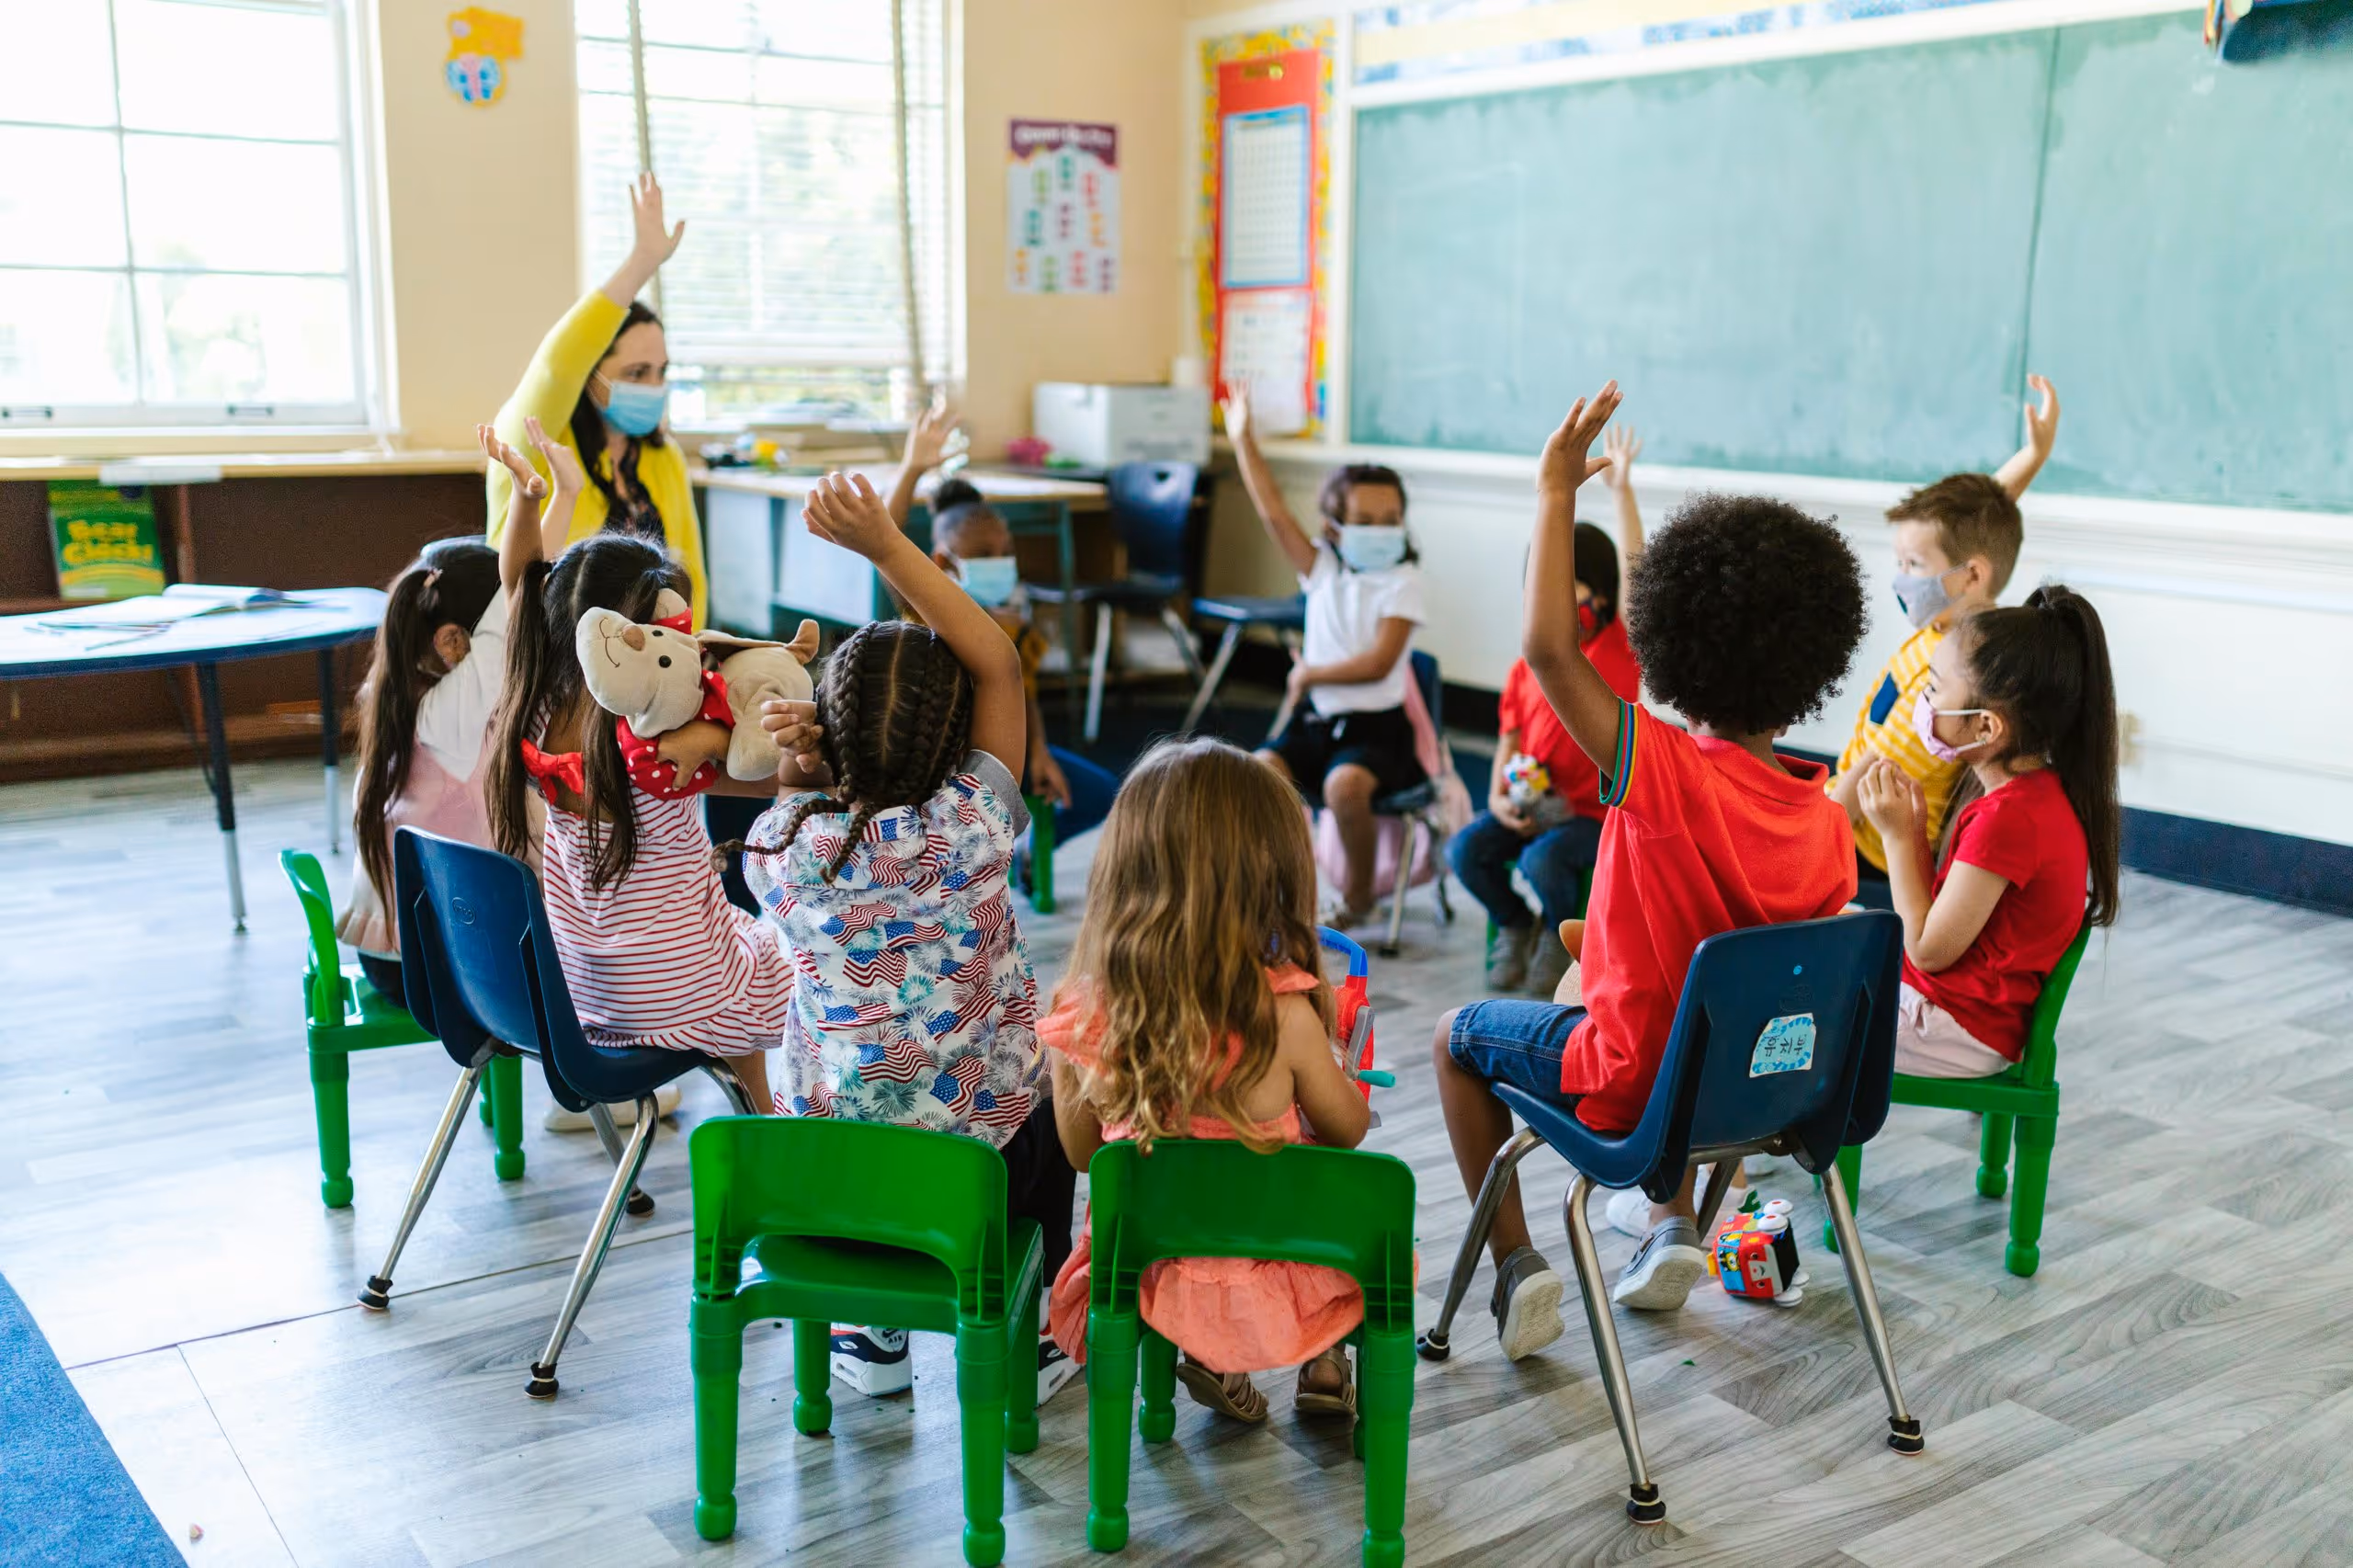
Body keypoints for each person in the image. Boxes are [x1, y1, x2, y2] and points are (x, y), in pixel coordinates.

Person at [1432, 381, 1869, 1358]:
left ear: (1664, 641)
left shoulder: (1660, 770)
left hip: (1637, 1089)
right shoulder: (1824, 812)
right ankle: (1672, 1226)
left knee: (1455, 1037)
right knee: (1669, 1005)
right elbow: (1726, 954)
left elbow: (1549, 646)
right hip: (1765, 1095)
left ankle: (1515, 1270)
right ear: (1816, 661)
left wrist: (1556, 491)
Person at [736, 472, 1065, 1403]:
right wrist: (886, 543)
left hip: (835, 1174)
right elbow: (998, 663)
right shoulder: (977, 826)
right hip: (978, 1165)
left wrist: (807, 749)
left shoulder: (782, 850)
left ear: (827, 739)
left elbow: (800, 792)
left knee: (866, 1097)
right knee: (1039, 1094)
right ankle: (1027, 1334)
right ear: (959, 741)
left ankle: (871, 1335)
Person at [1041, 737, 1373, 1422]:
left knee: (1182, 1194)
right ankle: (1325, 1359)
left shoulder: (1078, 1010)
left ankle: (1214, 1357)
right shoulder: (1285, 1015)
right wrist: (1335, 1069)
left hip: (1145, 1262)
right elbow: (1347, 1132)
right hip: (1274, 1256)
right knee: (1353, 1214)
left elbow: (1081, 1156)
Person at [483, 425, 792, 1121]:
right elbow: (776, 773)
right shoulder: (654, 733)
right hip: (674, 993)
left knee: (729, 932)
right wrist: (725, 727)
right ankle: (769, 1122)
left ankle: (759, 1112)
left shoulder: (531, 707)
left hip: (584, 995)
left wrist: (530, 504)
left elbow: (519, 580)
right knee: (794, 948)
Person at [1857, 585, 2119, 1078]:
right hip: (1948, 1014)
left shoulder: (2009, 819)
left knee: (1779, 1011)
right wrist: (1913, 828)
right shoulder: (2032, 795)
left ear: (1985, 728)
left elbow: (1929, 951)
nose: (1923, 700)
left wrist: (1895, 837)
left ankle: (1760, 1147)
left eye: (1933, 689)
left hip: (1953, 1028)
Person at [1829, 377, 2062, 904]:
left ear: (1970, 575)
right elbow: (1983, 522)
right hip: (1854, 819)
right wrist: (2033, 456)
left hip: (1868, 857)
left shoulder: (1951, 679)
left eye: (1914, 565)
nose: (1901, 577)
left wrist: (1798, 846)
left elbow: (1866, 784)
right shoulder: (1971, 627)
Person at [1452, 424, 1647, 995]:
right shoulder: (1524, 666)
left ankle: (1563, 938)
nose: (1561, 602)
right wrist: (1495, 798)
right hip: (1529, 806)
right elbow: (1509, 740)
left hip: (1592, 816)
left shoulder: (1619, 649)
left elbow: (1637, 567)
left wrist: (1623, 493)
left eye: (1576, 588)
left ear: (1604, 597)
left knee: (1545, 863)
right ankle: (1518, 923)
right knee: (1467, 850)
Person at [1222, 384, 1426, 927]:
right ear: (1335, 527)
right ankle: (1276, 890)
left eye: (1391, 519)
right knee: (1260, 771)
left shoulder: (1402, 583)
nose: (1381, 530)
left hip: (1377, 732)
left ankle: (1359, 897)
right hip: (1318, 724)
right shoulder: (1323, 571)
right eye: (1366, 519)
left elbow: (1380, 664)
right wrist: (1243, 439)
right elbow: (1272, 511)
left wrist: (1309, 672)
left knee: (1344, 787)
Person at [881, 407, 1119, 848]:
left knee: (1101, 792)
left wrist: (1041, 751)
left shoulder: (1010, 618)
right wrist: (912, 468)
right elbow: (884, 540)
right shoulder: (927, 616)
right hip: (934, 770)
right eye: (984, 553)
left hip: (1003, 758)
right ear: (943, 563)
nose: (1002, 561)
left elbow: (1021, 689)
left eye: (1005, 550)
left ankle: (1019, 857)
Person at [486, 174, 709, 626]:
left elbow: (693, 583)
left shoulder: (663, 460)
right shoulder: (535, 442)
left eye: (661, 373)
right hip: (555, 665)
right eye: (635, 373)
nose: (653, 387)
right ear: (589, 377)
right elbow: (557, 365)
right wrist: (642, 263)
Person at [338, 537, 501, 1014]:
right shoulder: (450, 712)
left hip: (390, 957)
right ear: (452, 641)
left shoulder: (394, 691)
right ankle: (596, 1085)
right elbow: (508, 621)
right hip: (427, 971)